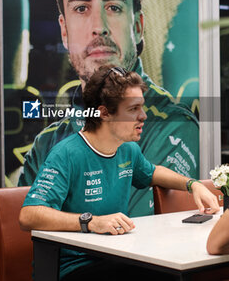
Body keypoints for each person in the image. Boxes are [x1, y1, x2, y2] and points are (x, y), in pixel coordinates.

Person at [18, 0, 199, 217]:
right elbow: (29, 233)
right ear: (64, 31)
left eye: (113, 7)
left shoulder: (172, 125)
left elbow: (136, 240)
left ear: (138, 26)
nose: (98, 26)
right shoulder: (47, 143)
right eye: (81, 7)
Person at [19, 66, 219, 281]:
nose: (143, 116)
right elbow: (28, 215)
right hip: (74, 267)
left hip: (118, 257)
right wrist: (91, 222)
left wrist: (193, 185)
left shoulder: (127, 148)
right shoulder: (66, 153)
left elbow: (152, 173)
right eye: (133, 109)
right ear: (104, 113)